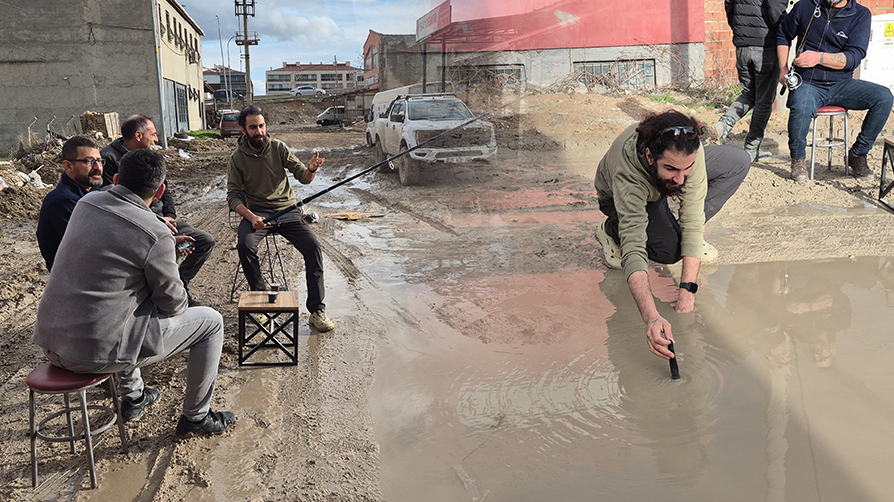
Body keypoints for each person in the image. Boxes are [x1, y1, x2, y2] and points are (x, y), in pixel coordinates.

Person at [32, 149, 236, 437]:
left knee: (120, 304)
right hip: (92, 354)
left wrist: (157, 253)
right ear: (161, 189)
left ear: (115, 179)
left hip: (50, 341)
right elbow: (174, 304)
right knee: (211, 322)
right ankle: (197, 417)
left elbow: (114, 253)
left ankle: (135, 397)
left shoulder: (87, 203)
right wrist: (166, 256)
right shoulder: (156, 233)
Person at [594, 110, 750, 359]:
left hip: (661, 178)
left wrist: (687, 294)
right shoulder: (629, 174)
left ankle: (669, 225)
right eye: (671, 169)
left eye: (686, 169)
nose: (680, 180)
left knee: (737, 160)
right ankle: (612, 230)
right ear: (649, 156)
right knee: (670, 251)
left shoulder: (687, 157)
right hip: (618, 197)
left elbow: (693, 217)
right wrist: (652, 317)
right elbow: (635, 249)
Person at [227, 105, 335, 332]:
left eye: (262, 126)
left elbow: (303, 177)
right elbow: (233, 196)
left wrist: (311, 170)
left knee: (313, 248)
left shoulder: (279, 148)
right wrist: (251, 216)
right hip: (257, 213)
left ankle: (317, 311)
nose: (259, 132)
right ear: (243, 130)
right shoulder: (237, 159)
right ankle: (261, 304)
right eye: (253, 127)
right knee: (244, 245)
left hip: (288, 211)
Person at [102, 114, 215, 305]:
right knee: (161, 253)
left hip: (162, 221)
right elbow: (116, 205)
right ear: (139, 135)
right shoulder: (109, 159)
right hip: (136, 227)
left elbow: (165, 190)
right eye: (153, 135)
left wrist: (169, 217)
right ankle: (164, 295)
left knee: (202, 242)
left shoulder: (152, 157)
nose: (156, 139)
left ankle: (178, 284)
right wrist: (158, 223)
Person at [777, 0, 894, 182]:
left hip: (842, 84)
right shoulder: (805, 6)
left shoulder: (861, 14)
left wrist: (819, 58)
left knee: (884, 97)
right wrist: (783, 69)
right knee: (801, 106)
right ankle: (798, 160)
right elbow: (783, 33)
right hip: (808, 82)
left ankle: (858, 154)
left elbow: (854, 57)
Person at [715, 0, 788, 162]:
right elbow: (776, 11)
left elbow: (729, 7)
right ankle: (751, 148)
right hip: (765, 47)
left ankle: (722, 127)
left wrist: (741, 31)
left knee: (749, 93)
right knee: (764, 101)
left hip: (742, 45)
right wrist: (788, 30)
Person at [36, 136, 104, 270]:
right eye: (89, 161)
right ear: (68, 165)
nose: (97, 167)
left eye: (99, 161)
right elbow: (93, 245)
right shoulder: (63, 201)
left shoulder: (92, 192)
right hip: (76, 280)